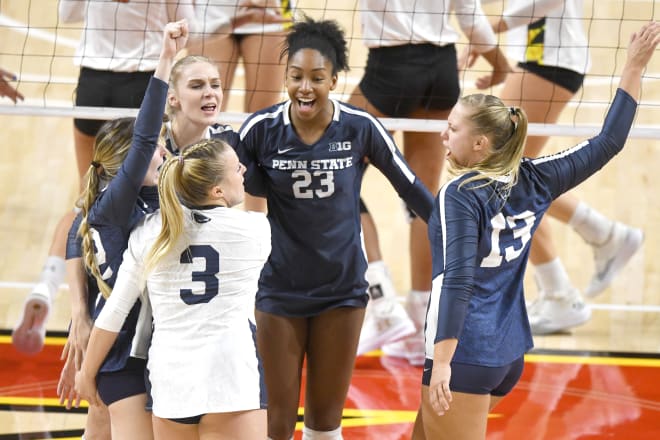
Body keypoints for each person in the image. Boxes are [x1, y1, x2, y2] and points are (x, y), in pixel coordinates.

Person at [414, 21, 659, 440]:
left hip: (466, 354)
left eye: (453, 128)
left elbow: (458, 280)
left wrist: (442, 362)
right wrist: (633, 67)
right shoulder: (538, 176)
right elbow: (609, 142)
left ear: (481, 145)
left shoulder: (460, 192)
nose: (442, 134)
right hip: (507, 351)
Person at [236, 16, 435, 440]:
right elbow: (226, 190)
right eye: (295, 77)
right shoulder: (260, 130)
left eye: (316, 78)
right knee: (275, 423)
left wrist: (454, 232)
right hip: (278, 291)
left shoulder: (360, 127)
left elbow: (411, 187)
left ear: (335, 80)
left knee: (325, 425)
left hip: (342, 292)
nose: (304, 88)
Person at [11, 0, 196, 356]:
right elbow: (190, 25)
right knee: (151, 204)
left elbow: (67, 14)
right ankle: (131, 297)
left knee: (87, 200)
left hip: (93, 84)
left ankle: (46, 288)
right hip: (144, 82)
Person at [348, 0, 511, 362]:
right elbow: (469, 12)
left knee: (336, 177)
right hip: (441, 70)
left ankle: (383, 303)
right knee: (422, 196)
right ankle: (422, 321)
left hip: (390, 69)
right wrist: (499, 65)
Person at [75, 139, 270, 440]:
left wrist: (86, 374)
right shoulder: (255, 230)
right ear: (217, 190)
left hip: (170, 384)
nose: (243, 170)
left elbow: (114, 310)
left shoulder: (150, 231)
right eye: (236, 168)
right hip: (231, 378)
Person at [59, 19, 188, 440]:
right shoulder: (115, 205)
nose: (164, 150)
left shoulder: (119, 204)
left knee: (96, 433)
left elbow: (76, 223)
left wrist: (79, 312)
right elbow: (147, 131)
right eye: (155, 148)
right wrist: (166, 60)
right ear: (126, 166)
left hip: (139, 341)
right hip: (123, 348)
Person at [189, 0, 295, 212]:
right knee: (203, 116)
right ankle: (203, 213)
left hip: (268, 13)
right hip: (209, 11)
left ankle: (256, 223)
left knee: (262, 124)